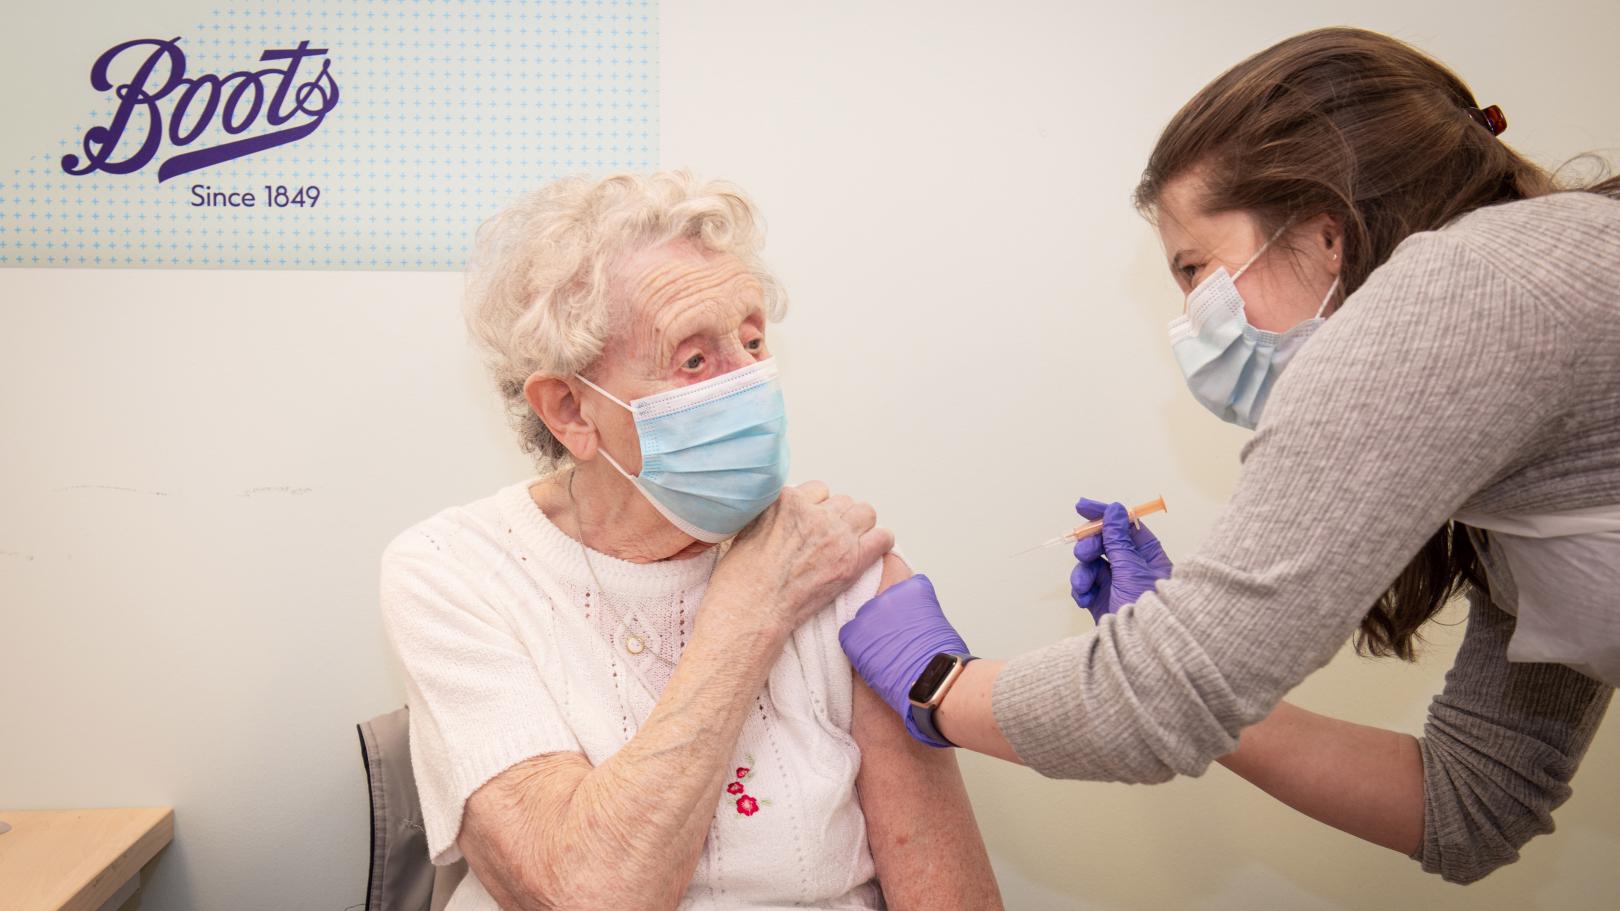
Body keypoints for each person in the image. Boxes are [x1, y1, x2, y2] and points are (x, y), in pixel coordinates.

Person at [840, 27, 1619, 885]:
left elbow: (1159, 701)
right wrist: (1211, 678)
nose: (1190, 323)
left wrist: (936, 683)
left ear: (1328, 232)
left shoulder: (1460, 289)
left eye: (1195, 269)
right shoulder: (1516, 460)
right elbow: (1474, 802)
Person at [381, 171, 1001, 910]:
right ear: (571, 409)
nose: (753, 384)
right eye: (696, 360)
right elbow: (585, 890)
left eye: (752, 339)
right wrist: (749, 608)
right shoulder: (454, 572)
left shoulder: (841, 568)